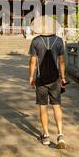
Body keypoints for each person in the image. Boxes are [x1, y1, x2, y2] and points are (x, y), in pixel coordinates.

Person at [28, 15, 67, 149]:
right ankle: (60, 134)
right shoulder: (59, 41)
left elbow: (33, 61)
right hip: (55, 78)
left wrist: (31, 77)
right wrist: (63, 77)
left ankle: (45, 135)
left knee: (43, 106)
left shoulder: (35, 41)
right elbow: (61, 61)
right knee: (57, 106)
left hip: (41, 78)